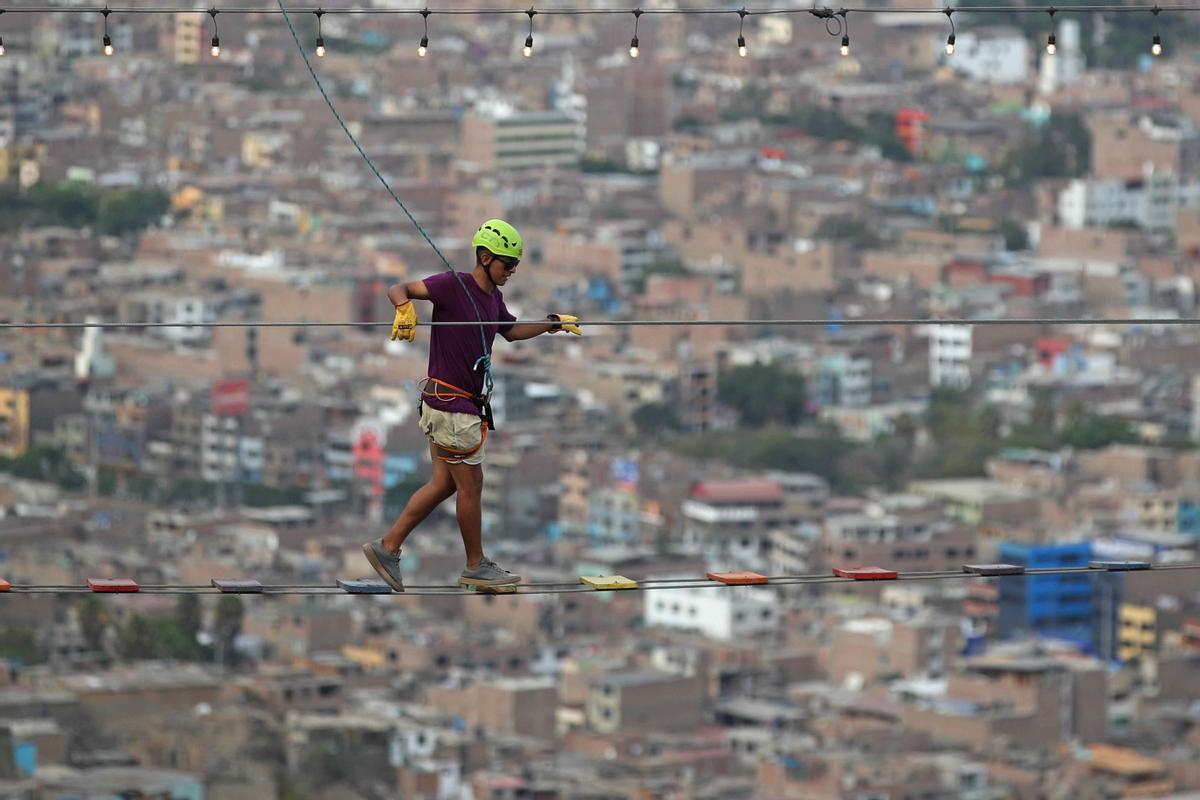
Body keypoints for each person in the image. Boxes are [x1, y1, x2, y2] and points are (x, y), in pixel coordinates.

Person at [362, 219, 580, 592]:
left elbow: (508, 331)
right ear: (484, 257)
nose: (511, 271)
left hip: (448, 404)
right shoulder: (452, 285)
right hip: (451, 406)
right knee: (472, 485)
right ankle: (475, 565)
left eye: (515, 265)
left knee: (444, 484)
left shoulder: (492, 298)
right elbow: (400, 288)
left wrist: (551, 324)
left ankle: (388, 547)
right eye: (507, 264)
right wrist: (404, 308)